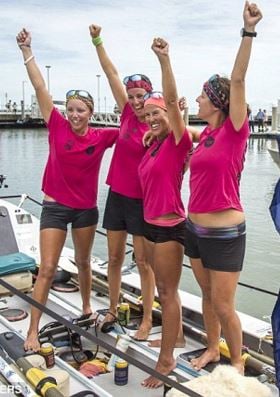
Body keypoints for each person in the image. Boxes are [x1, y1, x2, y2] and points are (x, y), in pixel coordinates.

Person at [16, 28, 119, 352]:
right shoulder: (57, 124)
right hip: (55, 207)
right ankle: (33, 330)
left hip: (86, 209)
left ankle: (87, 307)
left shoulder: (102, 137)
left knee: (85, 262)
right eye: (71, 109)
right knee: (47, 268)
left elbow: (134, 130)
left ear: (90, 113)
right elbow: (39, 85)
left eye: (81, 110)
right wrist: (27, 50)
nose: (74, 115)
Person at [184, 2, 262, 375]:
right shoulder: (210, 134)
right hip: (195, 230)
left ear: (216, 101)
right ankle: (212, 349)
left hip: (225, 232)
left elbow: (239, 80)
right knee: (207, 298)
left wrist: (247, 31)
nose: (197, 99)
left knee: (224, 304)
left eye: (201, 95)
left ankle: (236, 364)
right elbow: (192, 137)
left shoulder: (234, 129)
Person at [89, 24, 156, 340]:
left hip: (143, 202)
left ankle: (145, 319)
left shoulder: (159, 123)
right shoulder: (128, 114)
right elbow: (111, 71)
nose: (135, 101)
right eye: (131, 97)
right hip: (117, 194)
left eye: (141, 96)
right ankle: (113, 309)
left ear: (150, 95)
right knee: (114, 257)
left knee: (143, 262)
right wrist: (98, 40)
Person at [139, 38, 192, 388]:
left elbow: (172, 102)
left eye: (156, 113)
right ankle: (174, 340)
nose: (151, 119)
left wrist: (164, 60)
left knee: (168, 292)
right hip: (149, 226)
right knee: (160, 288)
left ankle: (166, 359)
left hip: (171, 226)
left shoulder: (178, 142)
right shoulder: (154, 145)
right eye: (147, 116)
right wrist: (149, 133)